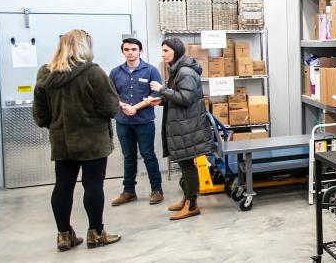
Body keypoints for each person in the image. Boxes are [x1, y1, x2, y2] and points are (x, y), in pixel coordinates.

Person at [32, 29, 122, 251]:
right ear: (84, 46)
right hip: (93, 141)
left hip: (62, 140)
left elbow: (40, 114)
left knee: (63, 186)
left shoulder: (45, 73)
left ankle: (64, 235)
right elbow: (111, 108)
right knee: (93, 185)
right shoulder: (93, 73)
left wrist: (57, 125)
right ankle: (96, 233)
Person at [149, 38, 214, 220]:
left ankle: (191, 204)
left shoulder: (184, 71)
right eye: (162, 51)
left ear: (176, 51)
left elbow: (186, 99)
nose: (163, 54)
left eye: (166, 51)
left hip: (189, 126)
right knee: (185, 164)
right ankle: (187, 199)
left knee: (187, 164)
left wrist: (162, 90)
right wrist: (162, 100)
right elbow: (179, 96)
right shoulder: (178, 70)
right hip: (183, 125)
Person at [109, 37, 164, 206]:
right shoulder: (115, 72)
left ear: (140, 51)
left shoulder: (151, 71)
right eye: (127, 49)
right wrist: (121, 105)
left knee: (148, 154)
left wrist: (136, 108)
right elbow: (110, 94)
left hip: (144, 121)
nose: (130, 52)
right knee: (129, 157)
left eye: (133, 49)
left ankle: (156, 190)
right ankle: (128, 191)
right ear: (123, 51)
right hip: (123, 122)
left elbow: (157, 95)